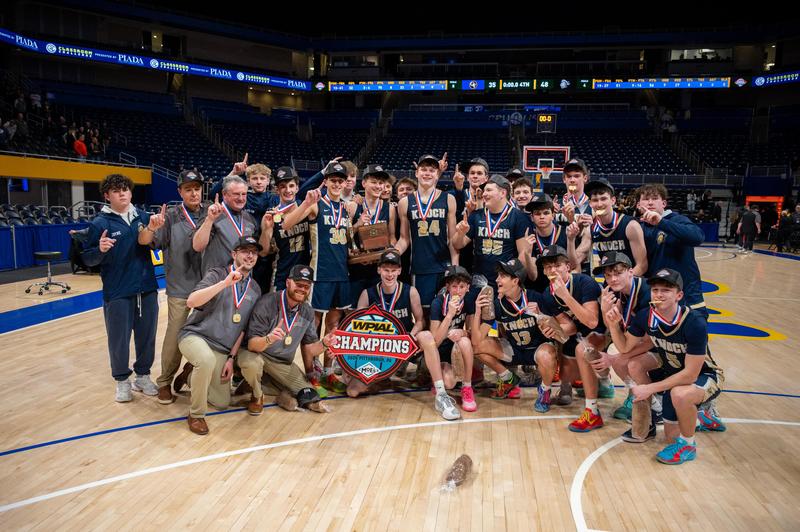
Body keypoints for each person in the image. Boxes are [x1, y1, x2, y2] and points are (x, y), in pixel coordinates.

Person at [604, 269, 724, 464]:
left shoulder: (695, 323)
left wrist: (649, 388)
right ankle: (700, 418)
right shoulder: (645, 316)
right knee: (669, 436)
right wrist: (613, 325)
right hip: (674, 372)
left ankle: (688, 445)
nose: (659, 294)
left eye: (666, 290)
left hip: (706, 376)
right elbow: (625, 347)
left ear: (679, 295)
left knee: (680, 394)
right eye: (655, 289)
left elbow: (691, 374)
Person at [81, 174, 160, 402]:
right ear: (107, 196)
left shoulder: (144, 217)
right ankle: (122, 381)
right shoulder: (100, 223)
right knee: (118, 340)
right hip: (117, 292)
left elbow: (155, 244)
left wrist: (154, 230)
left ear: (131, 192)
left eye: (125, 189)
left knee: (147, 337)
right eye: (116, 191)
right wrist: (100, 250)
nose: (122, 193)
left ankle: (143, 376)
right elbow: (88, 259)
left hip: (146, 288)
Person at [281, 161, 357, 395]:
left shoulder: (347, 209)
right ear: (326, 182)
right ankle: (311, 373)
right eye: (332, 180)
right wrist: (305, 203)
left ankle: (327, 373)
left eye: (340, 181)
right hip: (319, 275)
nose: (336, 184)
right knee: (312, 326)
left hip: (341, 275)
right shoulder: (316, 206)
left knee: (333, 326)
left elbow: (349, 242)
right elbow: (286, 224)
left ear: (345, 183)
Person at [176, 236, 263, 435]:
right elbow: (191, 301)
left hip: (222, 348)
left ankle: (190, 376)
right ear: (234, 254)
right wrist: (224, 284)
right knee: (205, 361)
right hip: (196, 336)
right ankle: (196, 415)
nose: (250, 255)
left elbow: (242, 329)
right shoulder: (217, 273)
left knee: (222, 402)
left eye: (254, 252)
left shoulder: (255, 289)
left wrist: (231, 358)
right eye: (244, 251)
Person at [138, 170, 206, 404]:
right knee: (175, 337)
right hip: (181, 288)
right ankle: (165, 381)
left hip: (209, 289)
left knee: (210, 336)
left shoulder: (210, 212)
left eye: (197, 188)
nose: (194, 192)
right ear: (180, 192)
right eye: (188, 189)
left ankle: (191, 371)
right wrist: (152, 228)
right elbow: (146, 242)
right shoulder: (170, 217)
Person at [241, 265, 339, 413]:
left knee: (308, 392)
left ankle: (260, 386)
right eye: (298, 284)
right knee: (252, 364)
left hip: (282, 363)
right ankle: (256, 394)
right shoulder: (267, 303)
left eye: (306, 286)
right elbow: (252, 345)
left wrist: (325, 343)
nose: (302, 289)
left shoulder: (307, 311)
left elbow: (310, 348)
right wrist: (269, 339)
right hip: (259, 353)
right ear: (288, 282)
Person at [471, 259, 559, 411]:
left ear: (515, 280)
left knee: (547, 355)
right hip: (514, 350)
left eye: (503, 276)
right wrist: (477, 310)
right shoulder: (498, 305)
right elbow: (476, 340)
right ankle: (508, 378)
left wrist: (541, 315)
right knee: (477, 347)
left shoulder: (536, 297)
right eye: (498, 276)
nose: (497, 279)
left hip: (537, 349)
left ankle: (545, 390)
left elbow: (558, 331)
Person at [536, 246, 606, 423]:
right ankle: (596, 380)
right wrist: (553, 330)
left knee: (584, 350)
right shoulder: (547, 294)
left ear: (568, 266)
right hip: (579, 333)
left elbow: (592, 322)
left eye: (557, 265)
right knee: (567, 376)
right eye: (548, 267)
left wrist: (566, 296)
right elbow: (570, 327)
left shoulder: (585, 282)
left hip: (602, 330)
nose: (552, 270)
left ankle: (593, 408)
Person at [350, 249, 425, 397]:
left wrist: (410, 336)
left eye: (393, 270)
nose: (389, 274)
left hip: (405, 345)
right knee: (352, 391)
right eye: (386, 270)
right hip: (381, 349)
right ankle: (383, 378)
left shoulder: (410, 291)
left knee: (427, 359)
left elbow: (420, 321)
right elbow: (356, 327)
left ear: (399, 271)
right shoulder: (367, 294)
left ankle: (414, 369)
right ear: (379, 270)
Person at [394, 155, 459, 310]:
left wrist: (455, 268)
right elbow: (404, 239)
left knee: (444, 312)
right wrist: (392, 253)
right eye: (423, 169)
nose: (427, 173)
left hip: (444, 267)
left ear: (437, 174)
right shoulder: (404, 203)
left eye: (432, 170)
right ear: (416, 173)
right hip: (420, 267)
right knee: (422, 314)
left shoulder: (448, 199)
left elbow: (452, 239)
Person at [637, 184, 709, 320]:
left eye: (655, 198)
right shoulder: (637, 227)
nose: (650, 202)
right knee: (661, 339)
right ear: (638, 204)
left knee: (694, 337)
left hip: (687, 294)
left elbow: (698, 237)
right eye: (646, 199)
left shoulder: (677, 220)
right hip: (658, 296)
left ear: (663, 203)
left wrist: (661, 222)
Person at [414, 265, 477, 419]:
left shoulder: (469, 301)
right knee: (448, 384)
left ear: (468, 288)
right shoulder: (438, 303)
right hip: (435, 352)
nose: (458, 291)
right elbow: (435, 341)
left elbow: (471, 333)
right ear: (447, 287)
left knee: (465, 341)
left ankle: (467, 388)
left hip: (452, 352)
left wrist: (461, 332)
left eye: (462, 286)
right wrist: (449, 315)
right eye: (454, 286)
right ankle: (436, 381)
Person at [452, 174, 531, 288]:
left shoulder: (519, 218)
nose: (484, 194)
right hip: (479, 281)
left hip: (506, 281)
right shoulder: (476, 216)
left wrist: (512, 281)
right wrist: (460, 233)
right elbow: (457, 244)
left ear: (502, 193)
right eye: (484, 191)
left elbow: (523, 255)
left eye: (489, 190)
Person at [349, 165, 397, 307]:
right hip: (357, 269)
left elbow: (392, 237)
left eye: (381, 183)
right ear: (364, 183)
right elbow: (345, 237)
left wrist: (390, 252)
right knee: (354, 311)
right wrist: (358, 224)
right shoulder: (352, 206)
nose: (378, 186)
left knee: (378, 310)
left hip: (379, 269)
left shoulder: (390, 209)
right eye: (374, 182)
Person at [580, 178, 648, 276]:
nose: (599, 204)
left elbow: (642, 266)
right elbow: (575, 261)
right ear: (590, 204)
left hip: (632, 282)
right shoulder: (591, 229)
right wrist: (571, 239)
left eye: (603, 199)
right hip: (611, 281)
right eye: (595, 200)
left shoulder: (631, 226)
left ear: (613, 200)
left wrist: (622, 282)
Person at [193, 175, 260, 272]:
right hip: (217, 280)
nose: (241, 198)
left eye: (244, 194)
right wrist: (210, 220)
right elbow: (198, 246)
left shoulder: (250, 219)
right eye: (236, 194)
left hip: (242, 280)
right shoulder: (210, 215)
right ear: (224, 194)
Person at [268, 166, 310, 291]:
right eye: (282, 186)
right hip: (283, 272)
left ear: (297, 188)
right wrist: (266, 230)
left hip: (306, 271)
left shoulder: (308, 210)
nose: (288, 190)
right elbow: (267, 250)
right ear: (277, 190)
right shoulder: (272, 215)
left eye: (291, 186)